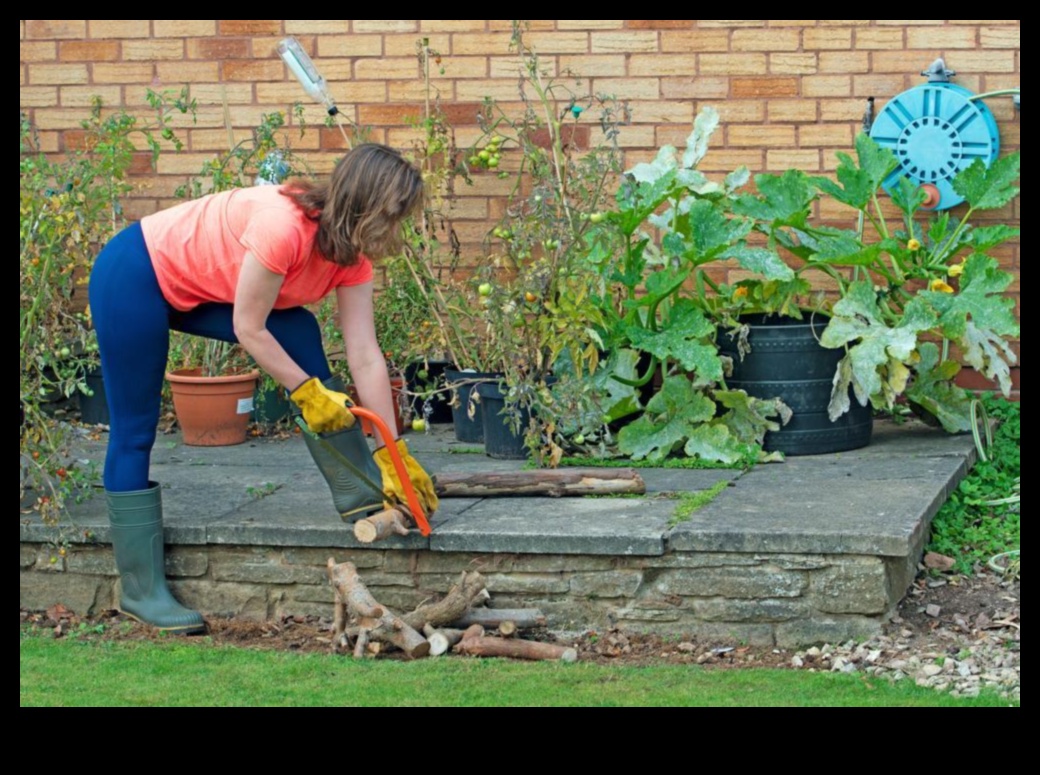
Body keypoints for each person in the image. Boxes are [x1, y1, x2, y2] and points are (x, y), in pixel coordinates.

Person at [88, 143, 439, 634]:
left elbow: (365, 355)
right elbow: (249, 327)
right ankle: (140, 590)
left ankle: (364, 496)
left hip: (194, 290)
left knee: (297, 332)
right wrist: (308, 392)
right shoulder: (284, 227)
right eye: (395, 215)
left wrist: (394, 454)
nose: (398, 229)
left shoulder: (352, 258)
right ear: (367, 205)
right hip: (136, 274)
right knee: (135, 428)